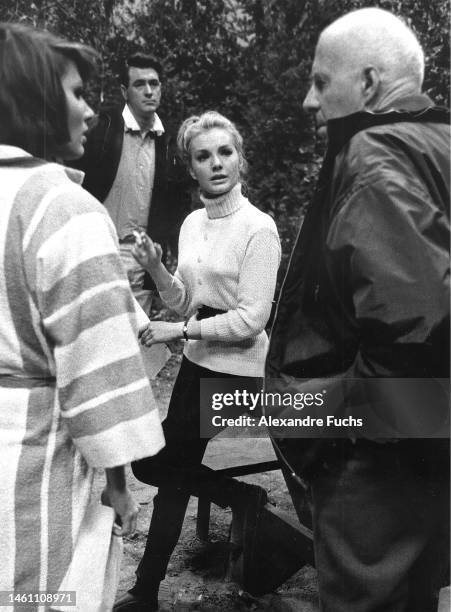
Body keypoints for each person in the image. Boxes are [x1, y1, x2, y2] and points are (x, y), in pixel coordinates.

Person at [265, 8, 450, 612]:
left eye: (321, 82)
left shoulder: (374, 154)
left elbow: (414, 329)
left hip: (377, 459)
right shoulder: (440, 143)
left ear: (368, 84)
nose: (307, 102)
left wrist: (322, 429)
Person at [0, 22, 165, 605]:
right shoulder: (65, 207)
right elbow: (97, 369)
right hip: (37, 455)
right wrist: (120, 483)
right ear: (35, 99)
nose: (91, 111)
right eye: (76, 94)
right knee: (44, 589)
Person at [113, 110, 281, 611]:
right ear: (191, 167)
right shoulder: (191, 223)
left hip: (242, 374)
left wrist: (180, 330)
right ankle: (241, 499)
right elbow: (185, 300)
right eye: (203, 156)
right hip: (198, 363)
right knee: (158, 462)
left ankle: (145, 591)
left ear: (240, 158)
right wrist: (157, 269)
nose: (216, 164)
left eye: (225, 152)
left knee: (166, 467)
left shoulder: (260, 229)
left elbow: (251, 319)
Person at [73, 52, 191, 313]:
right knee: (91, 327)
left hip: (142, 257)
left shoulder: (169, 142)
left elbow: (177, 205)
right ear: (125, 92)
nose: (149, 91)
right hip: (96, 249)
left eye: (154, 84)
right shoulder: (99, 128)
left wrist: (167, 261)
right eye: (140, 84)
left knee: (137, 337)